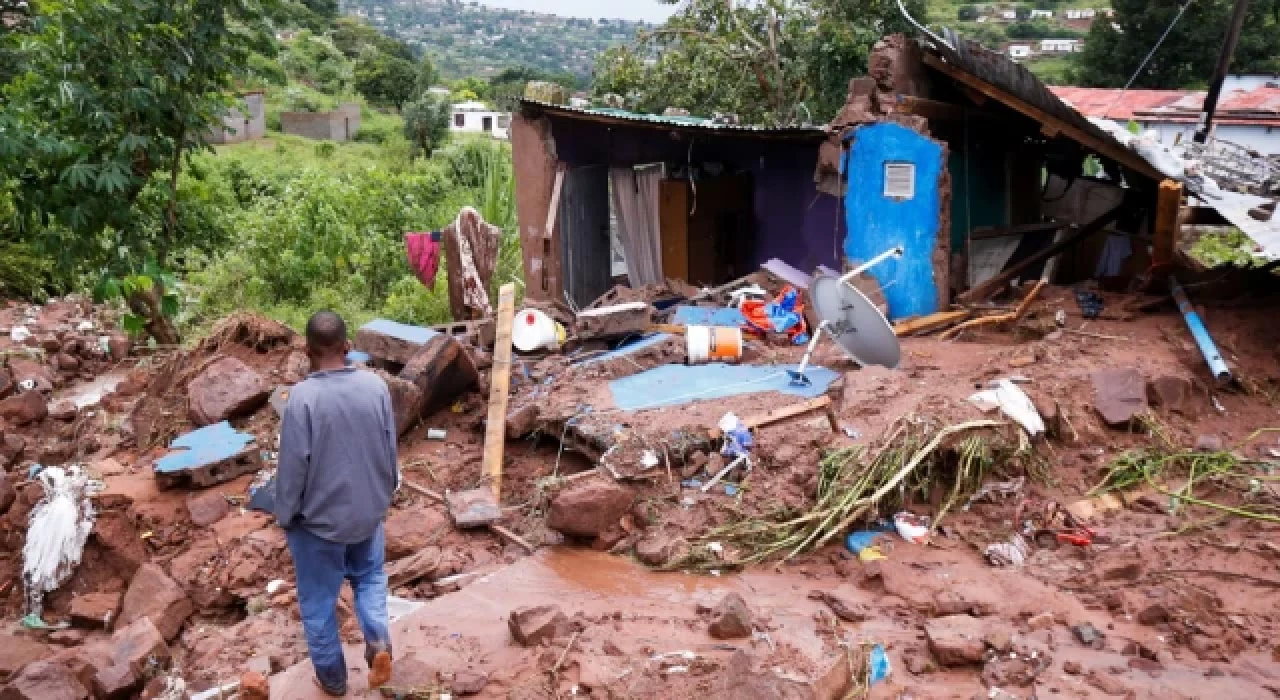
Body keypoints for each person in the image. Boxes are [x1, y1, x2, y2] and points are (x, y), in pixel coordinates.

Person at [273, 311, 399, 695]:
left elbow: (293, 469)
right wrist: (382, 495)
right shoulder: (375, 388)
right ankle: (379, 644)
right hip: (367, 512)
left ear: (307, 350)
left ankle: (332, 679)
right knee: (371, 578)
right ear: (348, 347)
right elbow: (389, 450)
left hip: (320, 525)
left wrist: (285, 515)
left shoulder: (302, 400)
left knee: (318, 601)